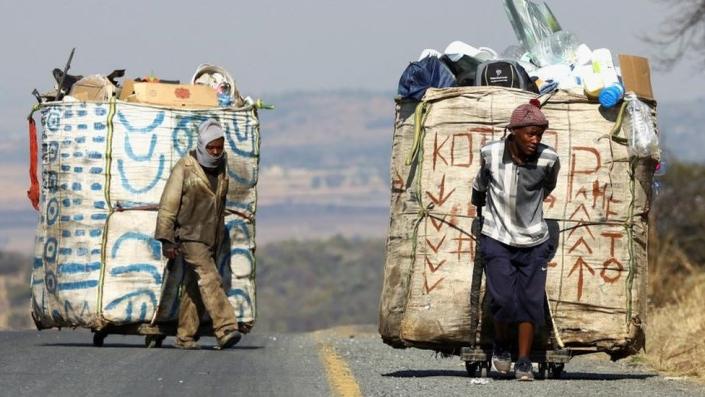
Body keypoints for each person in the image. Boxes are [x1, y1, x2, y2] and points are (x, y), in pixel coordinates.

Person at [471, 99, 560, 380]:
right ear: (514, 132)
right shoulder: (490, 154)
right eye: (530, 134)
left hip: (534, 240)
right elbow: (479, 187)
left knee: (530, 302)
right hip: (497, 236)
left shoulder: (549, 159)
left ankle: (523, 360)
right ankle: (500, 346)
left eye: (540, 135)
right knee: (504, 298)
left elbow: (548, 187)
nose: (535, 140)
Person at [155, 119, 241, 350]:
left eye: (218, 147)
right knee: (210, 279)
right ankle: (226, 328)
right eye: (211, 147)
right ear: (202, 145)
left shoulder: (222, 168)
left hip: (211, 237)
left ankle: (184, 337)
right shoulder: (185, 167)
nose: (214, 152)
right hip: (190, 235)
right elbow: (168, 205)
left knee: (195, 287)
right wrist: (166, 239)